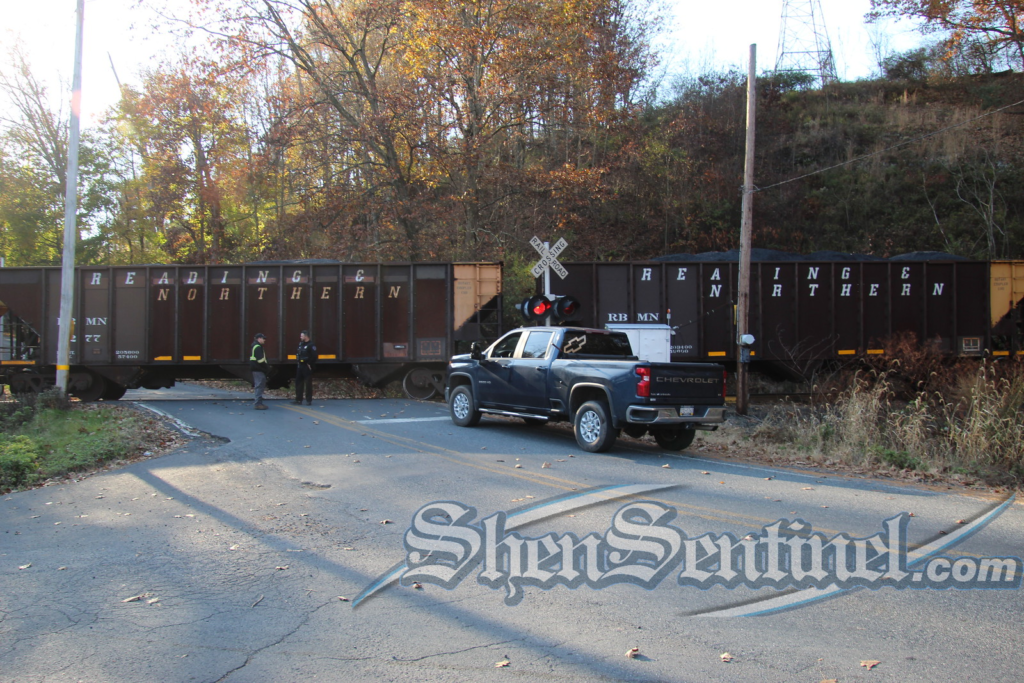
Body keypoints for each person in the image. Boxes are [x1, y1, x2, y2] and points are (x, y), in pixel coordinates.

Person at [293, 330, 317, 405]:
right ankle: (298, 399)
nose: (300, 337)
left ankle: (308, 400)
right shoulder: (301, 344)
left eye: (302, 336)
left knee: (308, 383)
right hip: (300, 365)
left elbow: (314, 356)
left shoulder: (311, 345)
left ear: (306, 336)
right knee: (298, 382)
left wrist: (309, 363)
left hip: (306, 366)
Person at [250, 333, 270, 410]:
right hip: (258, 369)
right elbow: (260, 360)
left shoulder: (255, 346)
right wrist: (266, 367)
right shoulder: (258, 347)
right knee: (259, 385)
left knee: (259, 385)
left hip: (256, 368)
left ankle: (258, 402)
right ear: (259, 339)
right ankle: (258, 403)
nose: (264, 340)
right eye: (263, 338)